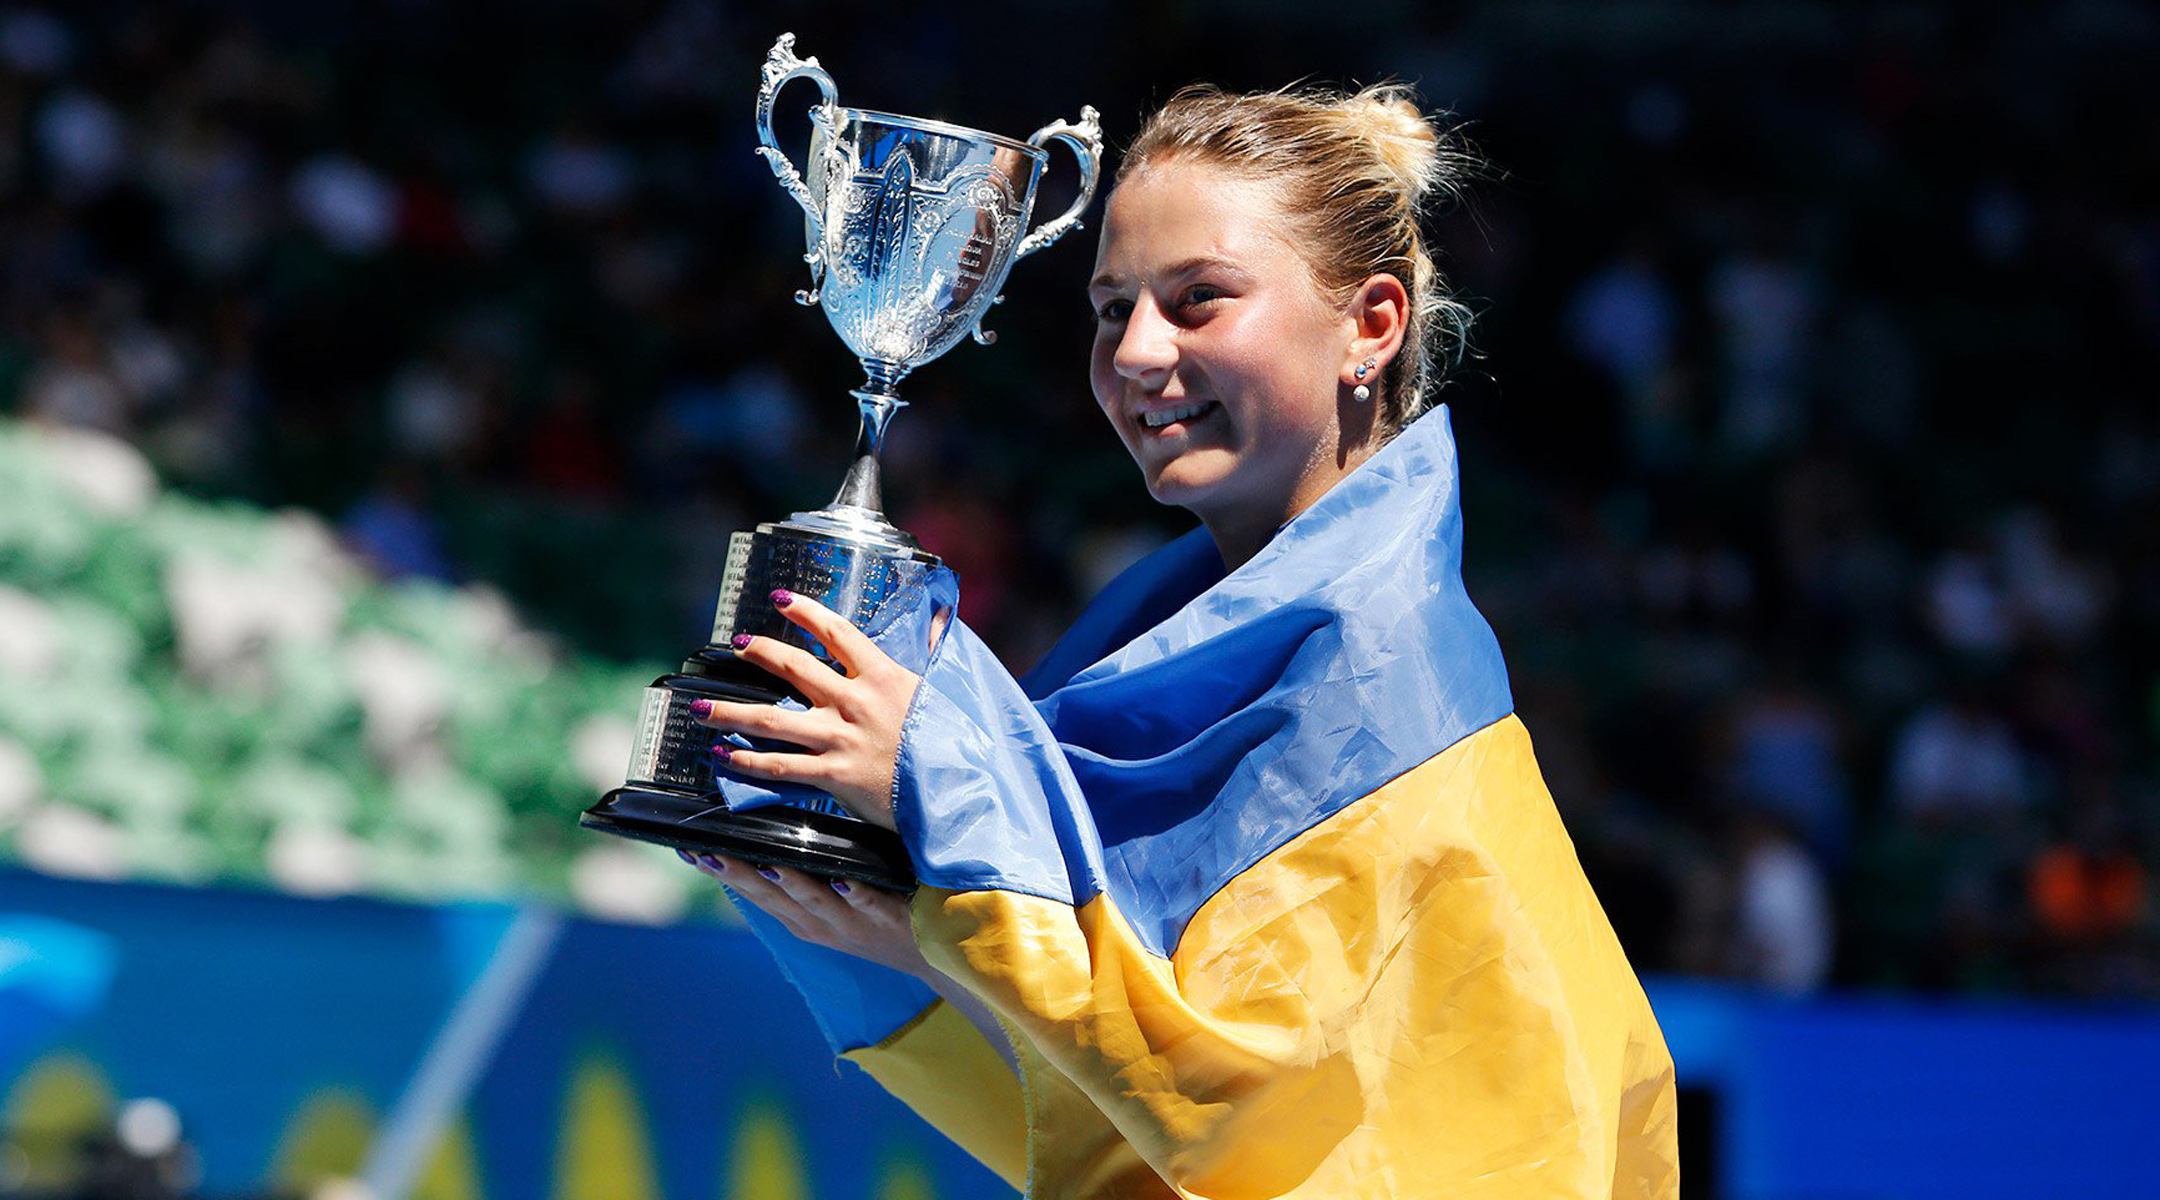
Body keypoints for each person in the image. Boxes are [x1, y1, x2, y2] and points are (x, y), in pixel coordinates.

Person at [679, 83, 1678, 1199]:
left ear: (1373, 324)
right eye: (1111, 308)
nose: (1137, 353)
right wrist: (908, 934)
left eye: (1199, 299)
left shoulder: (1384, 668)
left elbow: (1252, 1126)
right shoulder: (1165, 645)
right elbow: (1120, 1136)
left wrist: (946, 791)